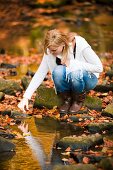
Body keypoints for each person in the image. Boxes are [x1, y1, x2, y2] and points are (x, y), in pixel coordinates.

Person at [18, 29, 103, 115]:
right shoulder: (50, 50)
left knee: (75, 72)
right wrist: (26, 97)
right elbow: (40, 73)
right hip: (69, 80)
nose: (51, 52)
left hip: (88, 79)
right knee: (57, 71)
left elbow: (99, 68)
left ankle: (77, 100)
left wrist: (73, 64)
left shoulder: (79, 44)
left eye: (54, 50)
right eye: (49, 49)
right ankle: (67, 99)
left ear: (62, 44)